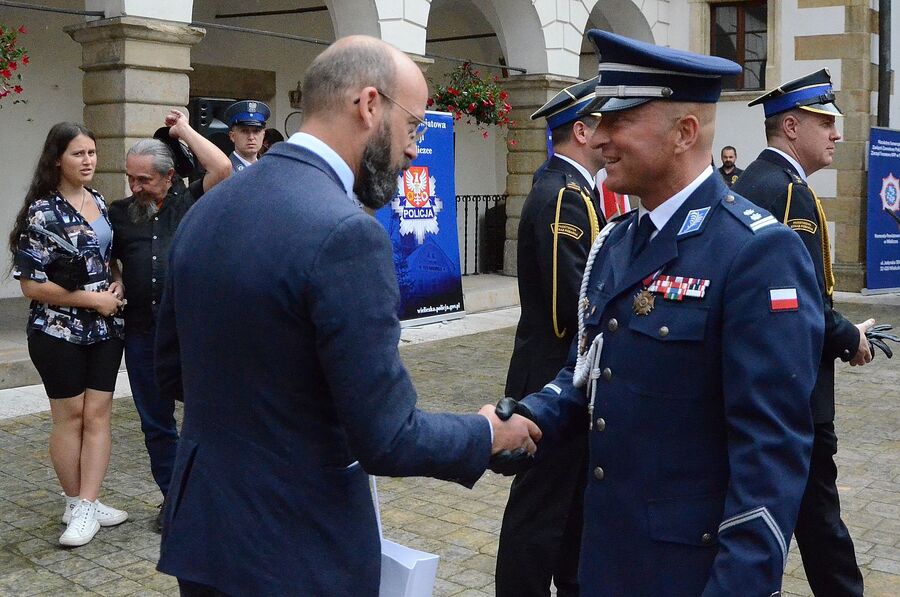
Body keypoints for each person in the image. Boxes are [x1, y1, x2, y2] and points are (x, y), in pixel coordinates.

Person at [153, 35, 541, 596]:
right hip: (298, 552)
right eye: (414, 127)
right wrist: (488, 433)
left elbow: (174, 373)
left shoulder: (209, 208)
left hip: (209, 543)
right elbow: (387, 435)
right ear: (368, 105)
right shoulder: (346, 233)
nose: (413, 150)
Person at [509, 30, 824, 595]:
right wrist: (526, 417)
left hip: (686, 576)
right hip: (605, 562)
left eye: (619, 120)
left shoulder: (756, 252)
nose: (599, 137)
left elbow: (769, 461)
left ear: (684, 132)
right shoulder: (616, 241)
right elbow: (588, 371)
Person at [732, 68, 873, 596]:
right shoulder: (791, 194)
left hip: (760, 387)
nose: (836, 134)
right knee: (821, 524)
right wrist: (845, 337)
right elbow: (799, 301)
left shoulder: (751, 181)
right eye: (825, 122)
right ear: (791, 127)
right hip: (796, 393)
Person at [497, 77, 607, 597]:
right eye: (603, 124)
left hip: (558, 373)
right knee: (538, 513)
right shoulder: (566, 196)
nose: (612, 135)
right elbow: (573, 309)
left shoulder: (572, 189)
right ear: (581, 131)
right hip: (552, 376)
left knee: (567, 506)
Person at [108, 109, 231, 531]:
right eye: (131, 178)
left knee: (204, 419)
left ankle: (212, 492)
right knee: (156, 423)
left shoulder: (194, 198)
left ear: (168, 177)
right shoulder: (120, 212)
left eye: (144, 179)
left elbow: (223, 166)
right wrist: (118, 278)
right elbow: (105, 258)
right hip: (142, 334)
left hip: (191, 333)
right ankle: (175, 497)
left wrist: (184, 130)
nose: (135, 187)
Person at [9, 122, 128, 547]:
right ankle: (75, 501)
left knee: (98, 415)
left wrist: (117, 284)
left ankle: (89, 503)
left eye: (92, 153)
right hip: (57, 329)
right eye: (78, 154)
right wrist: (92, 300)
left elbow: (108, 261)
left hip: (106, 330)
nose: (88, 161)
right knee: (70, 417)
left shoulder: (99, 201)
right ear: (57, 159)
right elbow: (30, 284)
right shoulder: (43, 212)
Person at [223, 99, 270, 172]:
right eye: (244, 131)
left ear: (263, 135)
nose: (251, 137)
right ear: (232, 136)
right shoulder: (224, 172)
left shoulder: (268, 171)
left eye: (256, 131)